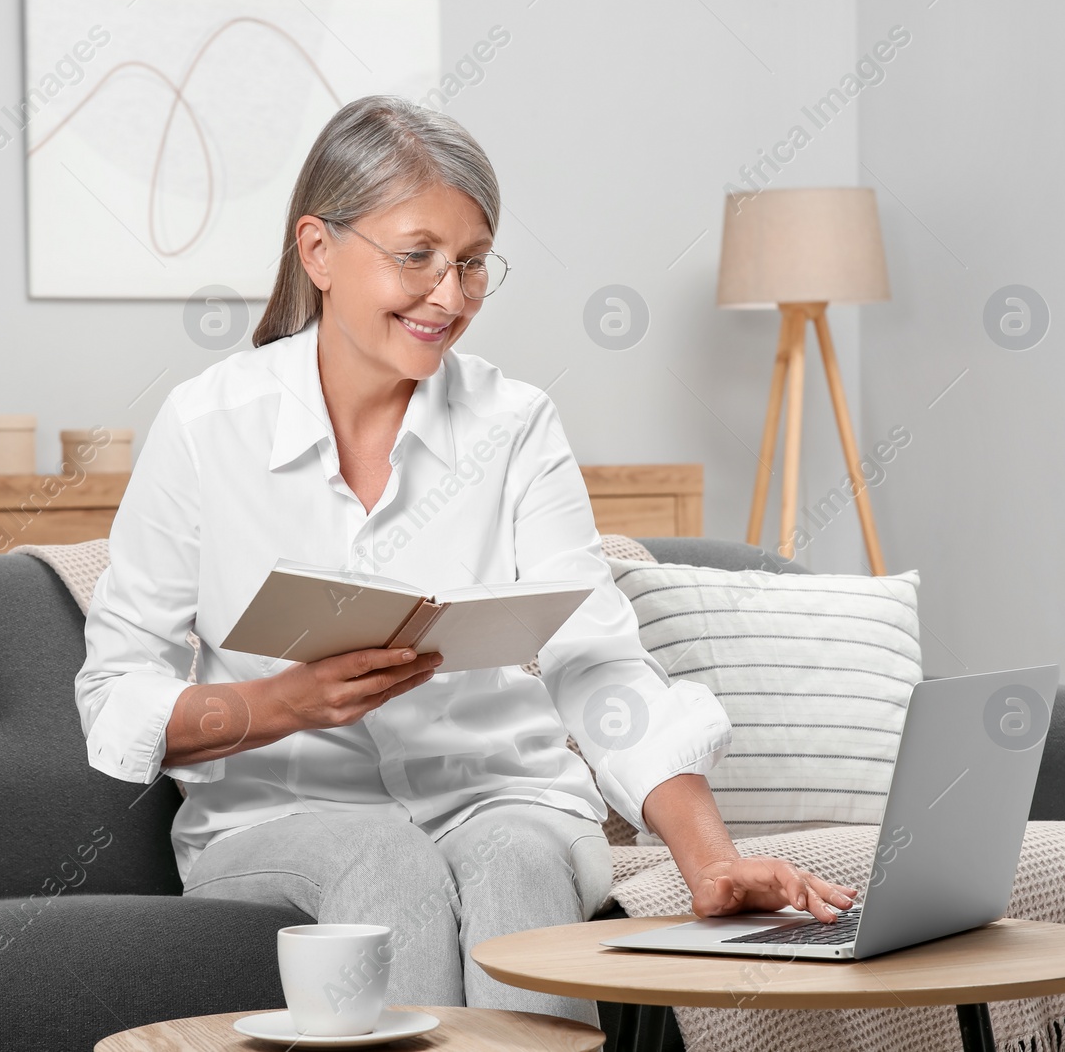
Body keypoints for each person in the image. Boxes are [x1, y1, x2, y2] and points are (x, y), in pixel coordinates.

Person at [74, 94, 857, 1029]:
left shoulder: (514, 425)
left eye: (473, 264)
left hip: (507, 797)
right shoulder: (207, 426)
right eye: (417, 257)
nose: (448, 297)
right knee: (385, 856)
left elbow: (596, 658)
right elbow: (115, 692)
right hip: (271, 823)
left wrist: (711, 860)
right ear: (318, 251)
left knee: (513, 856)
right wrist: (277, 704)